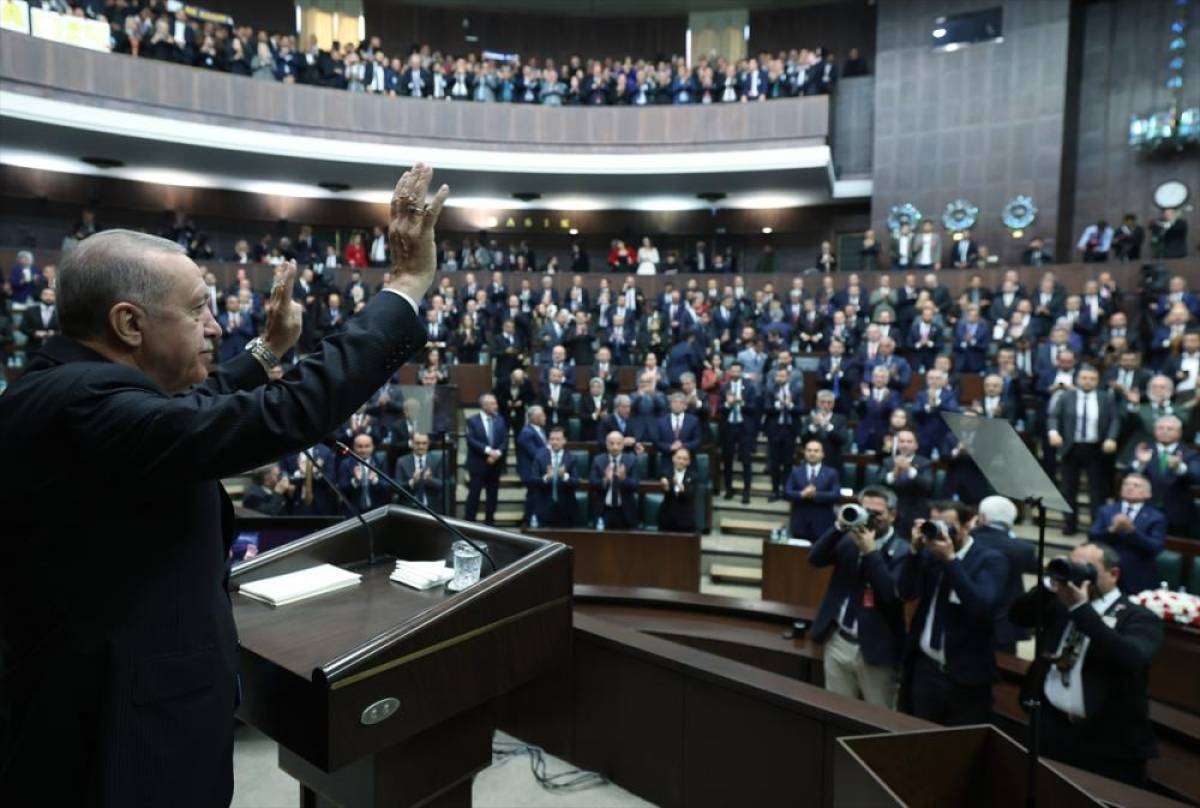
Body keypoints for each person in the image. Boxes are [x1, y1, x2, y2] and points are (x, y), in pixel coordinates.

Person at [0, 164, 445, 807]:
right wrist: (404, 287)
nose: (213, 327)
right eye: (196, 310)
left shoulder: (73, 385)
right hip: (121, 748)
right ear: (129, 324)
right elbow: (277, 416)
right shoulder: (87, 408)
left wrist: (267, 351)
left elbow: (194, 407)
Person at [1009, 543, 1164, 787]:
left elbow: (1131, 658)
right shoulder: (1059, 604)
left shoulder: (1139, 617)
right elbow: (1018, 616)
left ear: (1114, 574)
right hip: (1050, 726)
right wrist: (1050, 585)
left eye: (1087, 569)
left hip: (1105, 743)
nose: (1078, 575)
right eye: (1074, 566)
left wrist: (1081, 609)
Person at [899, 507, 1009, 726]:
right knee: (918, 736)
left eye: (948, 525)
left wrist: (950, 560)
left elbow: (981, 607)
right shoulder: (930, 554)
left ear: (968, 525)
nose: (941, 532)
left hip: (965, 678)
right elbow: (906, 592)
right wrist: (914, 552)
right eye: (935, 524)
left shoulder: (991, 559)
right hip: (925, 669)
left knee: (959, 742)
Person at [809, 486, 909, 708]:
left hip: (876, 650)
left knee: (878, 716)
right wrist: (839, 526)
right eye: (865, 511)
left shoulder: (903, 551)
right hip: (839, 641)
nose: (870, 518)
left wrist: (870, 552)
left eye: (877, 513)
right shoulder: (848, 540)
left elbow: (889, 596)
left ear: (892, 515)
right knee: (836, 710)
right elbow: (815, 559)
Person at [1046, 365, 1120, 534]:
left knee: (1097, 491)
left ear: (1097, 381)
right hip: (1071, 448)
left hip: (1096, 448)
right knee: (1068, 489)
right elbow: (1053, 416)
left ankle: (1096, 527)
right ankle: (1069, 524)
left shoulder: (1105, 398)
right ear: (1078, 379)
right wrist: (1053, 432)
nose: (1088, 382)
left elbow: (1115, 419)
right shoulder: (1066, 396)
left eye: (1092, 379)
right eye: (1084, 378)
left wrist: (1111, 438)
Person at [971, 496, 1037, 654]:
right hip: (1004, 624)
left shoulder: (970, 539)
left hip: (970, 617)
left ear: (982, 517)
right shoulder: (1024, 549)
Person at [1088, 474, 1166, 595]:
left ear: (1148, 494)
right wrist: (1111, 530)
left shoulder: (1156, 517)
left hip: (1138, 575)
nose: (1129, 487)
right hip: (1107, 571)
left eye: (1136, 485)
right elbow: (1092, 536)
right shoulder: (1106, 510)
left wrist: (1131, 531)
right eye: (1126, 484)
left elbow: (1155, 547)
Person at [464, 392, 508, 525]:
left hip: (495, 464)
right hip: (478, 464)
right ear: (484, 406)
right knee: (474, 495)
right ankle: (469, 523)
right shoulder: (472, 421)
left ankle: (490, 524)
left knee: (492, 496)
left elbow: (505, 439)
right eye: (493, 404)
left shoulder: (500, 419)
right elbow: (471, 440)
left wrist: (497, 453)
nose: (496, 406)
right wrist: (488, 451)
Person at [784, 439, 840, 540]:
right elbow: (787, 493)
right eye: (809, 450)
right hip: (800, 523)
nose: (812, 453)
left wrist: (815, 494)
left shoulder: (831, 473)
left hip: (822, 524)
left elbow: (836, 495)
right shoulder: (796, 472)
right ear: (804, 453)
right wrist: (802, 494)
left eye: (816, 451)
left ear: (823, 454)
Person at [720, 361, 758, 503]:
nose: (735, 373)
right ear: (729, 372)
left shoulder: (749, 387)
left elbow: (754, 408)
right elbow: (719, 408)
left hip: (744, 427)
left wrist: (742, 402)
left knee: (746, 460)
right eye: (733, 371)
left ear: (742, 372)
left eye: (738, 371)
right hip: (729, 427)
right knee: (728, 459)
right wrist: (727, 404)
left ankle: (746, 492)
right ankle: (729, 489)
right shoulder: (724, 387)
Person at [532, 426, 580, 528]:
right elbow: (533, 481)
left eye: (558, 439)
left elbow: (576, 483)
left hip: (566, 509)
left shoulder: (571, 458)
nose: (554, 442)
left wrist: (564, 476)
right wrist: (546, 478)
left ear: (564, 441)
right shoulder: (540, 457)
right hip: (545, 507)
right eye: (552, 439)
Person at [591, 430, 640, 528]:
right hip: (604, 510)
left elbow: (635, 485)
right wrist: (605, 480)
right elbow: (592, 483)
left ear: (623, 445)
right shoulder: (598, 460)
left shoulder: (631, 460)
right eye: (612, 443)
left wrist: (624, 479)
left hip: (625, 511)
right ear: (606, 445)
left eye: (618, 443)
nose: (615, 447)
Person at [396, 432, 444, 512]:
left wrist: (429, 479)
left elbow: (443, 484)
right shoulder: (402, 461)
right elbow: (397, 487)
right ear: (412, 444)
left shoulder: (437, 460)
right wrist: (412, 482)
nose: (421, 446)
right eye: (417, 443)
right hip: (409, 508)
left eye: (424, 443)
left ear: (428, 444)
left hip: (432, 508)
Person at [658, 447, 699, 532]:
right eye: (679, 458)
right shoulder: (665, 473)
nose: (681, 461)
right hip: (667, 518)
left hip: (686, 519)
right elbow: (664, 493)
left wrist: (681, 489)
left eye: (685, 459)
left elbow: (690, 495)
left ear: (689, 462)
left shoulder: (694, 476)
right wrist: (666, 488)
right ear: (673, 459)